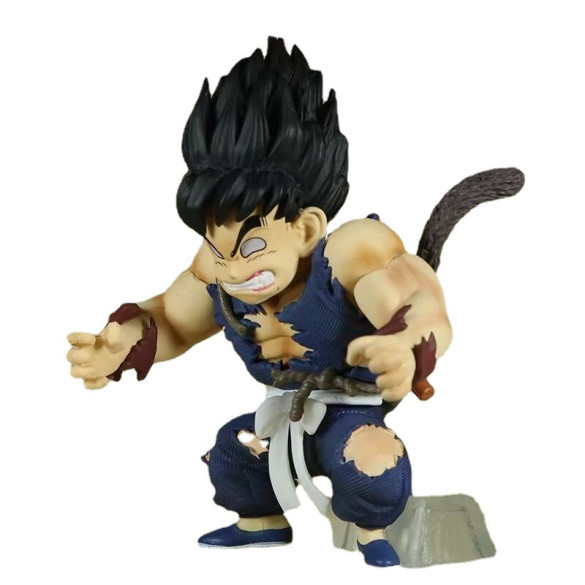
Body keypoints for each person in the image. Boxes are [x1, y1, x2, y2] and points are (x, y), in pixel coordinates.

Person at [66, 37, 523, 567]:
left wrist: (404, 345)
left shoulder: (350, 253)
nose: (232, 268)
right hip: (281, 416)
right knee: (233, 452)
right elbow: (171, 318)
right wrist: (121, 341)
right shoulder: (215, 266)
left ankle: (374, 530)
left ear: (305, 227)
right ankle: (260, 523)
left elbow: (419, 302)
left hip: (353, 416)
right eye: (218, 246)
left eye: (251, 247)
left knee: (372, 464)